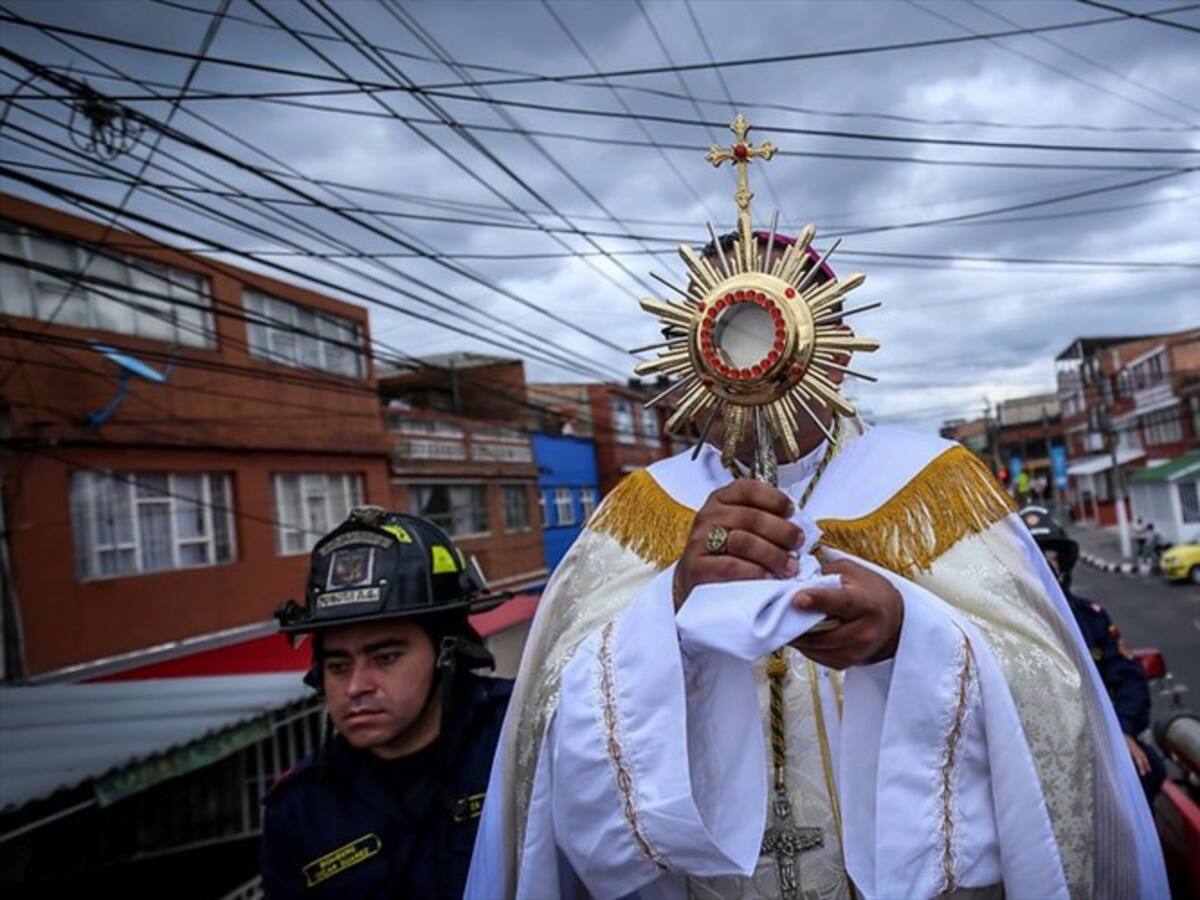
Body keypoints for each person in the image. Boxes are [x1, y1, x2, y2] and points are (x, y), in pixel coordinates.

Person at [467, 232, 1167, 900]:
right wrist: (671, 610)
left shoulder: (931, 486)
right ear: (688, 348)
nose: (751, 359)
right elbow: (544, 726)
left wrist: (907, 635)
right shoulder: (636, 513)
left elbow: (1056, 696)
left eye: (775, 319)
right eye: (719, 329)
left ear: (832, 343)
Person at [261, 507, 512, 899]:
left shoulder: (522, 742)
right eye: (338, 665)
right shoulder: (298, 811)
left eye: (385, 658)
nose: (356, 686)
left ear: (447, 654)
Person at [1021, 504, 1166, 803]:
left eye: (1049, 555)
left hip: (1104, 743)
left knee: (1145, 773)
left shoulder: (1092, 618)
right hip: (1037, 757)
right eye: (1031, 556)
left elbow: (1129, 679)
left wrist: (1122, 731)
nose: (1043, 565)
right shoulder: (1003, 629)